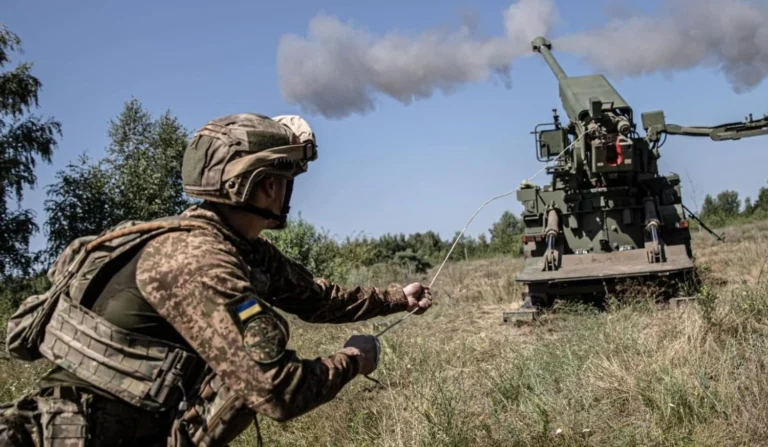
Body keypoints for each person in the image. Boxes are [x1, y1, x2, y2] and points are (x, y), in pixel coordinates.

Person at [0, 113, 433, 446]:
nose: (286, 192)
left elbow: (316, 297)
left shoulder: (229, 244)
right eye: (284, 180)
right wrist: (354, 360)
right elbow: (277, 389)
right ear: (264, 187)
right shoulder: (198, 261)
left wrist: (397, 297)